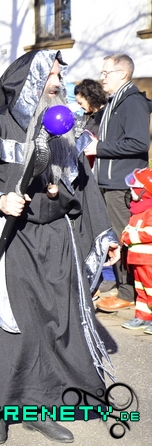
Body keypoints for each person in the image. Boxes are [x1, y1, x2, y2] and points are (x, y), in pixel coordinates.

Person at [0, 50, 121, 444]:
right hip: (11, 239)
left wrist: (105, 235)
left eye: (60, 75)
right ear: (28, 80)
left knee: (49, 326)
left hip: (57, 239)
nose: (59, 82)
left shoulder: (65, 127)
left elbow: (85, 187)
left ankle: (40, 409)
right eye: (52, 75)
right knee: (8, 329)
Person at [84, 54, 150, 312]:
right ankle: (124, 287)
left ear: (122, 74)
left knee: (123, 238)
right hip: (108, 182)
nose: (102, 78)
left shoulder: (132, 102)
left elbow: (138, 143)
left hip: (121, 185)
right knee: (112, 237)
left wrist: (99, 147)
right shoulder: (114, 101)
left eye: (106, 73)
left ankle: (128, 293)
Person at [120, 167, 152, 332]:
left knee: (151, 289)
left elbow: (149, 233)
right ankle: (142, 317)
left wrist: (128, 237)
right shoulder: (138, 209)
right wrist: (124, 235)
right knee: (141, 290)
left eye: (135, 188)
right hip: (137, 259)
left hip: (148, 261)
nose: (131, 191)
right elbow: (129, 229)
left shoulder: (150, 211)